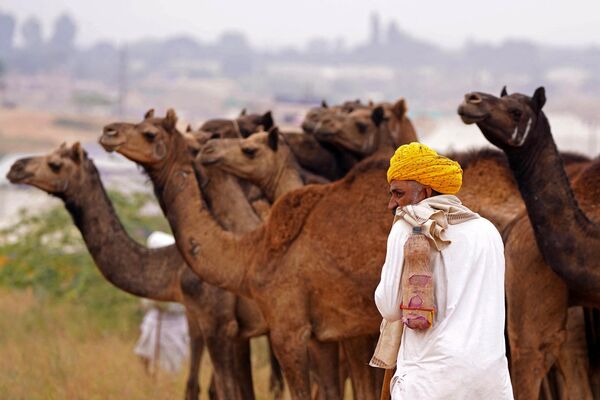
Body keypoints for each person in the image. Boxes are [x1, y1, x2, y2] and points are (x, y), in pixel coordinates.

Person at [374, 143, 513, 399]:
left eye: (398, 193)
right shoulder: (487, 230)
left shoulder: (407, 227)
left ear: (425, 191)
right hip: (492, 384)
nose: (392, 204)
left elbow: (389, 307)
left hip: (430, 383)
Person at [133, 231, 190, 374]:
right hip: (155, 319)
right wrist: (153, 302)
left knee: (171, 364)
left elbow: (182, 304)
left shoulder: (182, 275)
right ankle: (148, 380)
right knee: (144, 353)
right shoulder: (152, 274)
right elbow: (145, 300)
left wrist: (166, 303)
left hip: (175, 324)